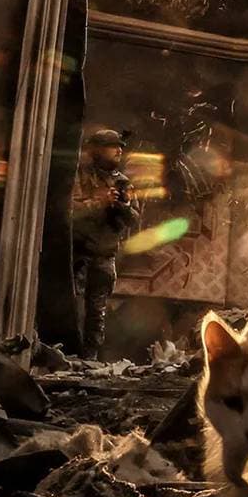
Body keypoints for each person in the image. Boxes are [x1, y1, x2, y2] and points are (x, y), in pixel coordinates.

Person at [71, 128, 138, 355]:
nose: (119, 150)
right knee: (74, 308)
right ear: (98, 149)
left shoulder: (122, 182)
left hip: (105, 255)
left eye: (120, 146)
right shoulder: (80, 175)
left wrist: (124, 206)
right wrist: (100, 201)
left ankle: (90, 359)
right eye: (112, 145)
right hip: (79, 254)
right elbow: (71, 212)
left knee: (97, 312)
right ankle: (71, 356)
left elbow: (134, 220)